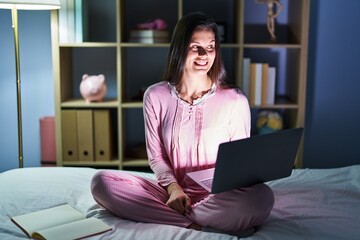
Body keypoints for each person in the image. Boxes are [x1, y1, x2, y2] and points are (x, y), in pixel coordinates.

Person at [91, 12, 274, 237]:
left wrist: (220, 193)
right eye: (195, 46)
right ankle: (196, 224)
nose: (204, 54)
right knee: (101, 183)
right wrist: (174, 188)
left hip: (219, 196)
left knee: (262, 197)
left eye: (211, 46)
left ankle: (188, 217)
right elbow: (157, 157)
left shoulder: (234, 100)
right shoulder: (155, 95)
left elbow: (239, 165)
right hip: (171, 193)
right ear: (179, 48)